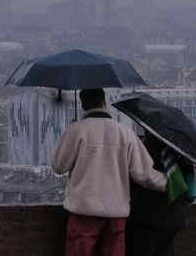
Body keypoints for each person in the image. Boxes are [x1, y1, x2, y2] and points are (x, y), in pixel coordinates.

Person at [51, 88, 168, 256]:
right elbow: (143, 175)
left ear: (83, 104)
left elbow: (59, 166)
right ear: (104, 102)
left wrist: (68, 133)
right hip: (116, 213)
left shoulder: (77, 130)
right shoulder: (125, 133)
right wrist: (170, 183)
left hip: (84, 211)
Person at [126, 133, 190, 256]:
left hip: (146, 217)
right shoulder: (180, 151)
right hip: (174, 216)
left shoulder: (145, 147)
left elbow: (137, 177)